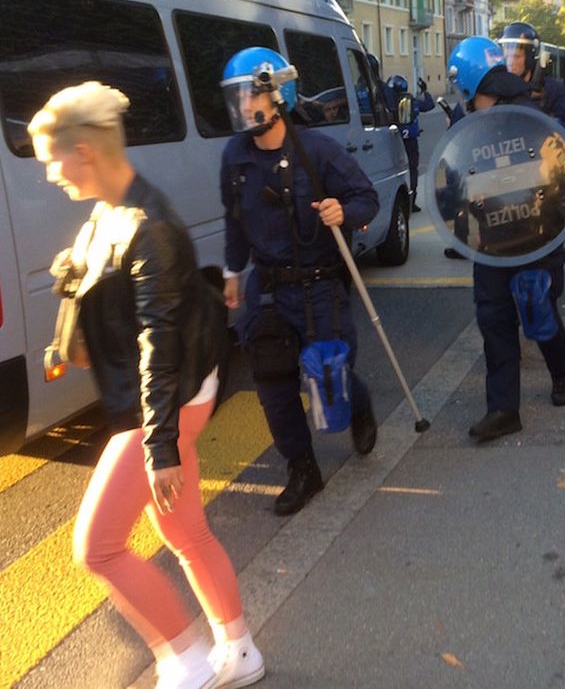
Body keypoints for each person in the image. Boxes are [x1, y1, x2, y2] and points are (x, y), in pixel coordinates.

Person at [28, 82, 264, 689]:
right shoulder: (112, 212)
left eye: (54, 158)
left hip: (163, 403)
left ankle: (183, 660)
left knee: (98, 546)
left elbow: (158, 344)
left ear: (84, 151)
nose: (49, 173)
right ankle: (238, 650)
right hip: (175, 396)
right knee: (184, 531)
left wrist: (159, 448)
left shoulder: (147, 225)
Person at [220, 46, 379, 516]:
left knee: (329, 374)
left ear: (278, 95)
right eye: (236, 97)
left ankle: (359, 403)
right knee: (272, 383)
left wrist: (343, 211)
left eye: (251, 94)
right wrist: (232, 272)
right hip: (267, 292)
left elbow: (366, 198)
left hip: (319, 289)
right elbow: (234, 220)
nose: (245, 106)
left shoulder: (318, 151)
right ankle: (302, 469)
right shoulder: (235, 156)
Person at [446, 36, 565, 442]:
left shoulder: (529, 117)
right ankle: (503, 409)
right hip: (492, 240)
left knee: (539, 313)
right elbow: (457, 175)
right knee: (495, 320)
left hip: (534, 238)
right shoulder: (469, 121)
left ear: (469, 81)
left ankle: (561, 373)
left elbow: (561, 178)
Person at [497, 21, 565, 146]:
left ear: (529, 58)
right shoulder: (497, 89)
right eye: (506, 56)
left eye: (517, 57)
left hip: (543, 161)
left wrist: (550, 131)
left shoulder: (551, 89)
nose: (510, 62)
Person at [386, 74, 435, 213]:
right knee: (413, 169)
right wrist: (425, 91)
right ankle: (412, 201)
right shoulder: (412, 101)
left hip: (395, 140)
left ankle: (397, 203)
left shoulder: (390, 104)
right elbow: (429, 105)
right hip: (411, 141)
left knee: (394, 172)